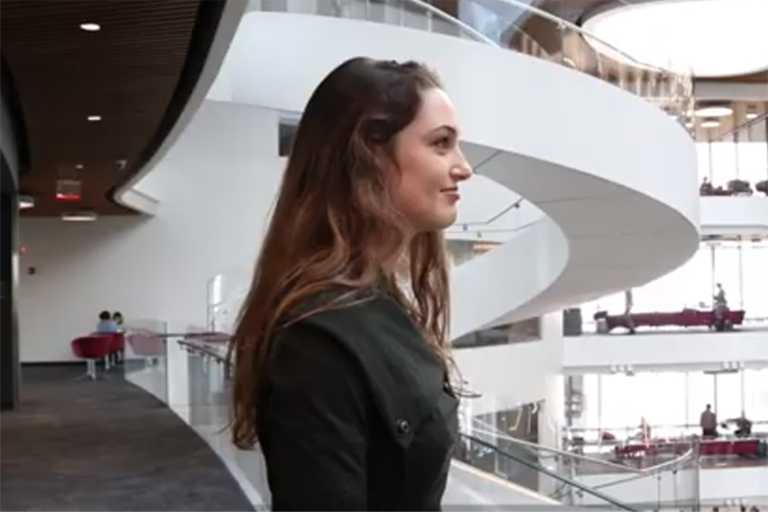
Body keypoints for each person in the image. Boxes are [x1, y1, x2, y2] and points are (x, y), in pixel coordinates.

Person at [228, 57, 472, 510]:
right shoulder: (317, 337)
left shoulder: (377, 304)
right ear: (370, 155)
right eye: (441, 144)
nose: (463, 167)